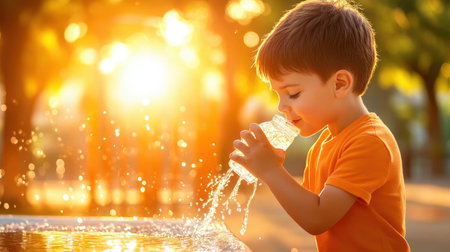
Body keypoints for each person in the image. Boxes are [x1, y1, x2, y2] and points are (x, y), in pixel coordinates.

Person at [229, 0, 410, 251]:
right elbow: (306, 206)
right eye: (278, 95)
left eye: (293, 93)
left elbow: (317, 218)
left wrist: (271, 171)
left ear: (339, 84)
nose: (282, 106)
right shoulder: (324, 145)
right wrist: (267, 166)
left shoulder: (370, 141)